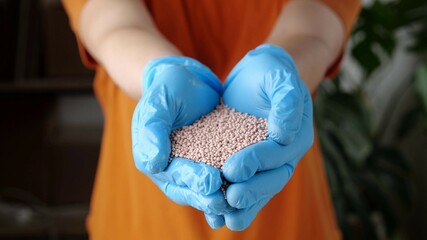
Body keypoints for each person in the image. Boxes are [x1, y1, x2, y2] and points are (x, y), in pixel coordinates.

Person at [62, 0, 360, 239]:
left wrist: (283, 64)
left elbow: (313, 29)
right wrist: (159, 73)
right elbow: (112, 23)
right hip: (142, 219)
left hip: (286, 216)